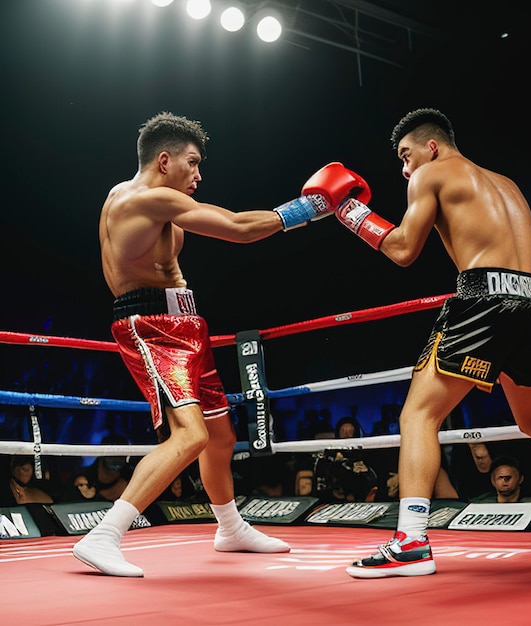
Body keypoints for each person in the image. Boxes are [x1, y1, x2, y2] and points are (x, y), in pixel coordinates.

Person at [72, 111, 371, 577]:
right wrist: (311, 207)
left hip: (186, 322)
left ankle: (230, 528)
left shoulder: (140, 197)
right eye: (192, 163)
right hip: (152, 325)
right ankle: (105, 534)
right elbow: (240, 228)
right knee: (190, 434)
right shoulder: (145, 200)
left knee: (219, 435)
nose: (198, 174)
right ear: (164, 160)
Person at [336, 108, 531, 578]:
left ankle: (410, 540)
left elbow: (404, 250)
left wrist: (350, 213)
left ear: (431, 147)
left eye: (406, 156)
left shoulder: (430, 173)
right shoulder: (506, 183)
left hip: (483, 298)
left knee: (418, 413)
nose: (405, 170)